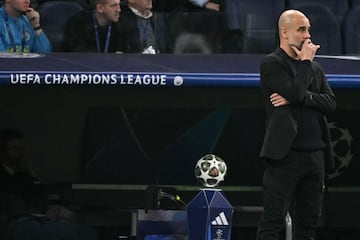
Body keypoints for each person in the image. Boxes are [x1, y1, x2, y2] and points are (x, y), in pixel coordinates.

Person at [256, 9, 336, 240]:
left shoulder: (315, 69)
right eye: (302, 30)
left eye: (309, 29)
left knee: (308, 225)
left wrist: (297, 98)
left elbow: (330, 103)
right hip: (285, 156)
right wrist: (304, 67)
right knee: (273, 222)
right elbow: (297, 90)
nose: (308, 36)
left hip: (316, 156)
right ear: (284, 32)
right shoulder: (272, 64)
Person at [60, 0, 128, 53]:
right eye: (114, 5)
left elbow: (131, 52)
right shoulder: (77, 23)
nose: (119, 10)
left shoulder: (124, 23)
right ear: (100, 8)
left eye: (119, 4)